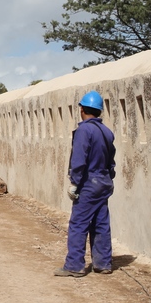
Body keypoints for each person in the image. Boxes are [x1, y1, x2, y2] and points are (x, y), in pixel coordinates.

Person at [56, 90, 116, 278]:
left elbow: (79, 159)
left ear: (82, 109)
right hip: (104, 181)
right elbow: (111, 161)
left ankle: (74, 265)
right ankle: (103, 263)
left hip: (89, 182)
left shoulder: (83, 130)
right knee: (101, 223)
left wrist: (75, 182)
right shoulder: (107, 132)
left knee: (78, 223)